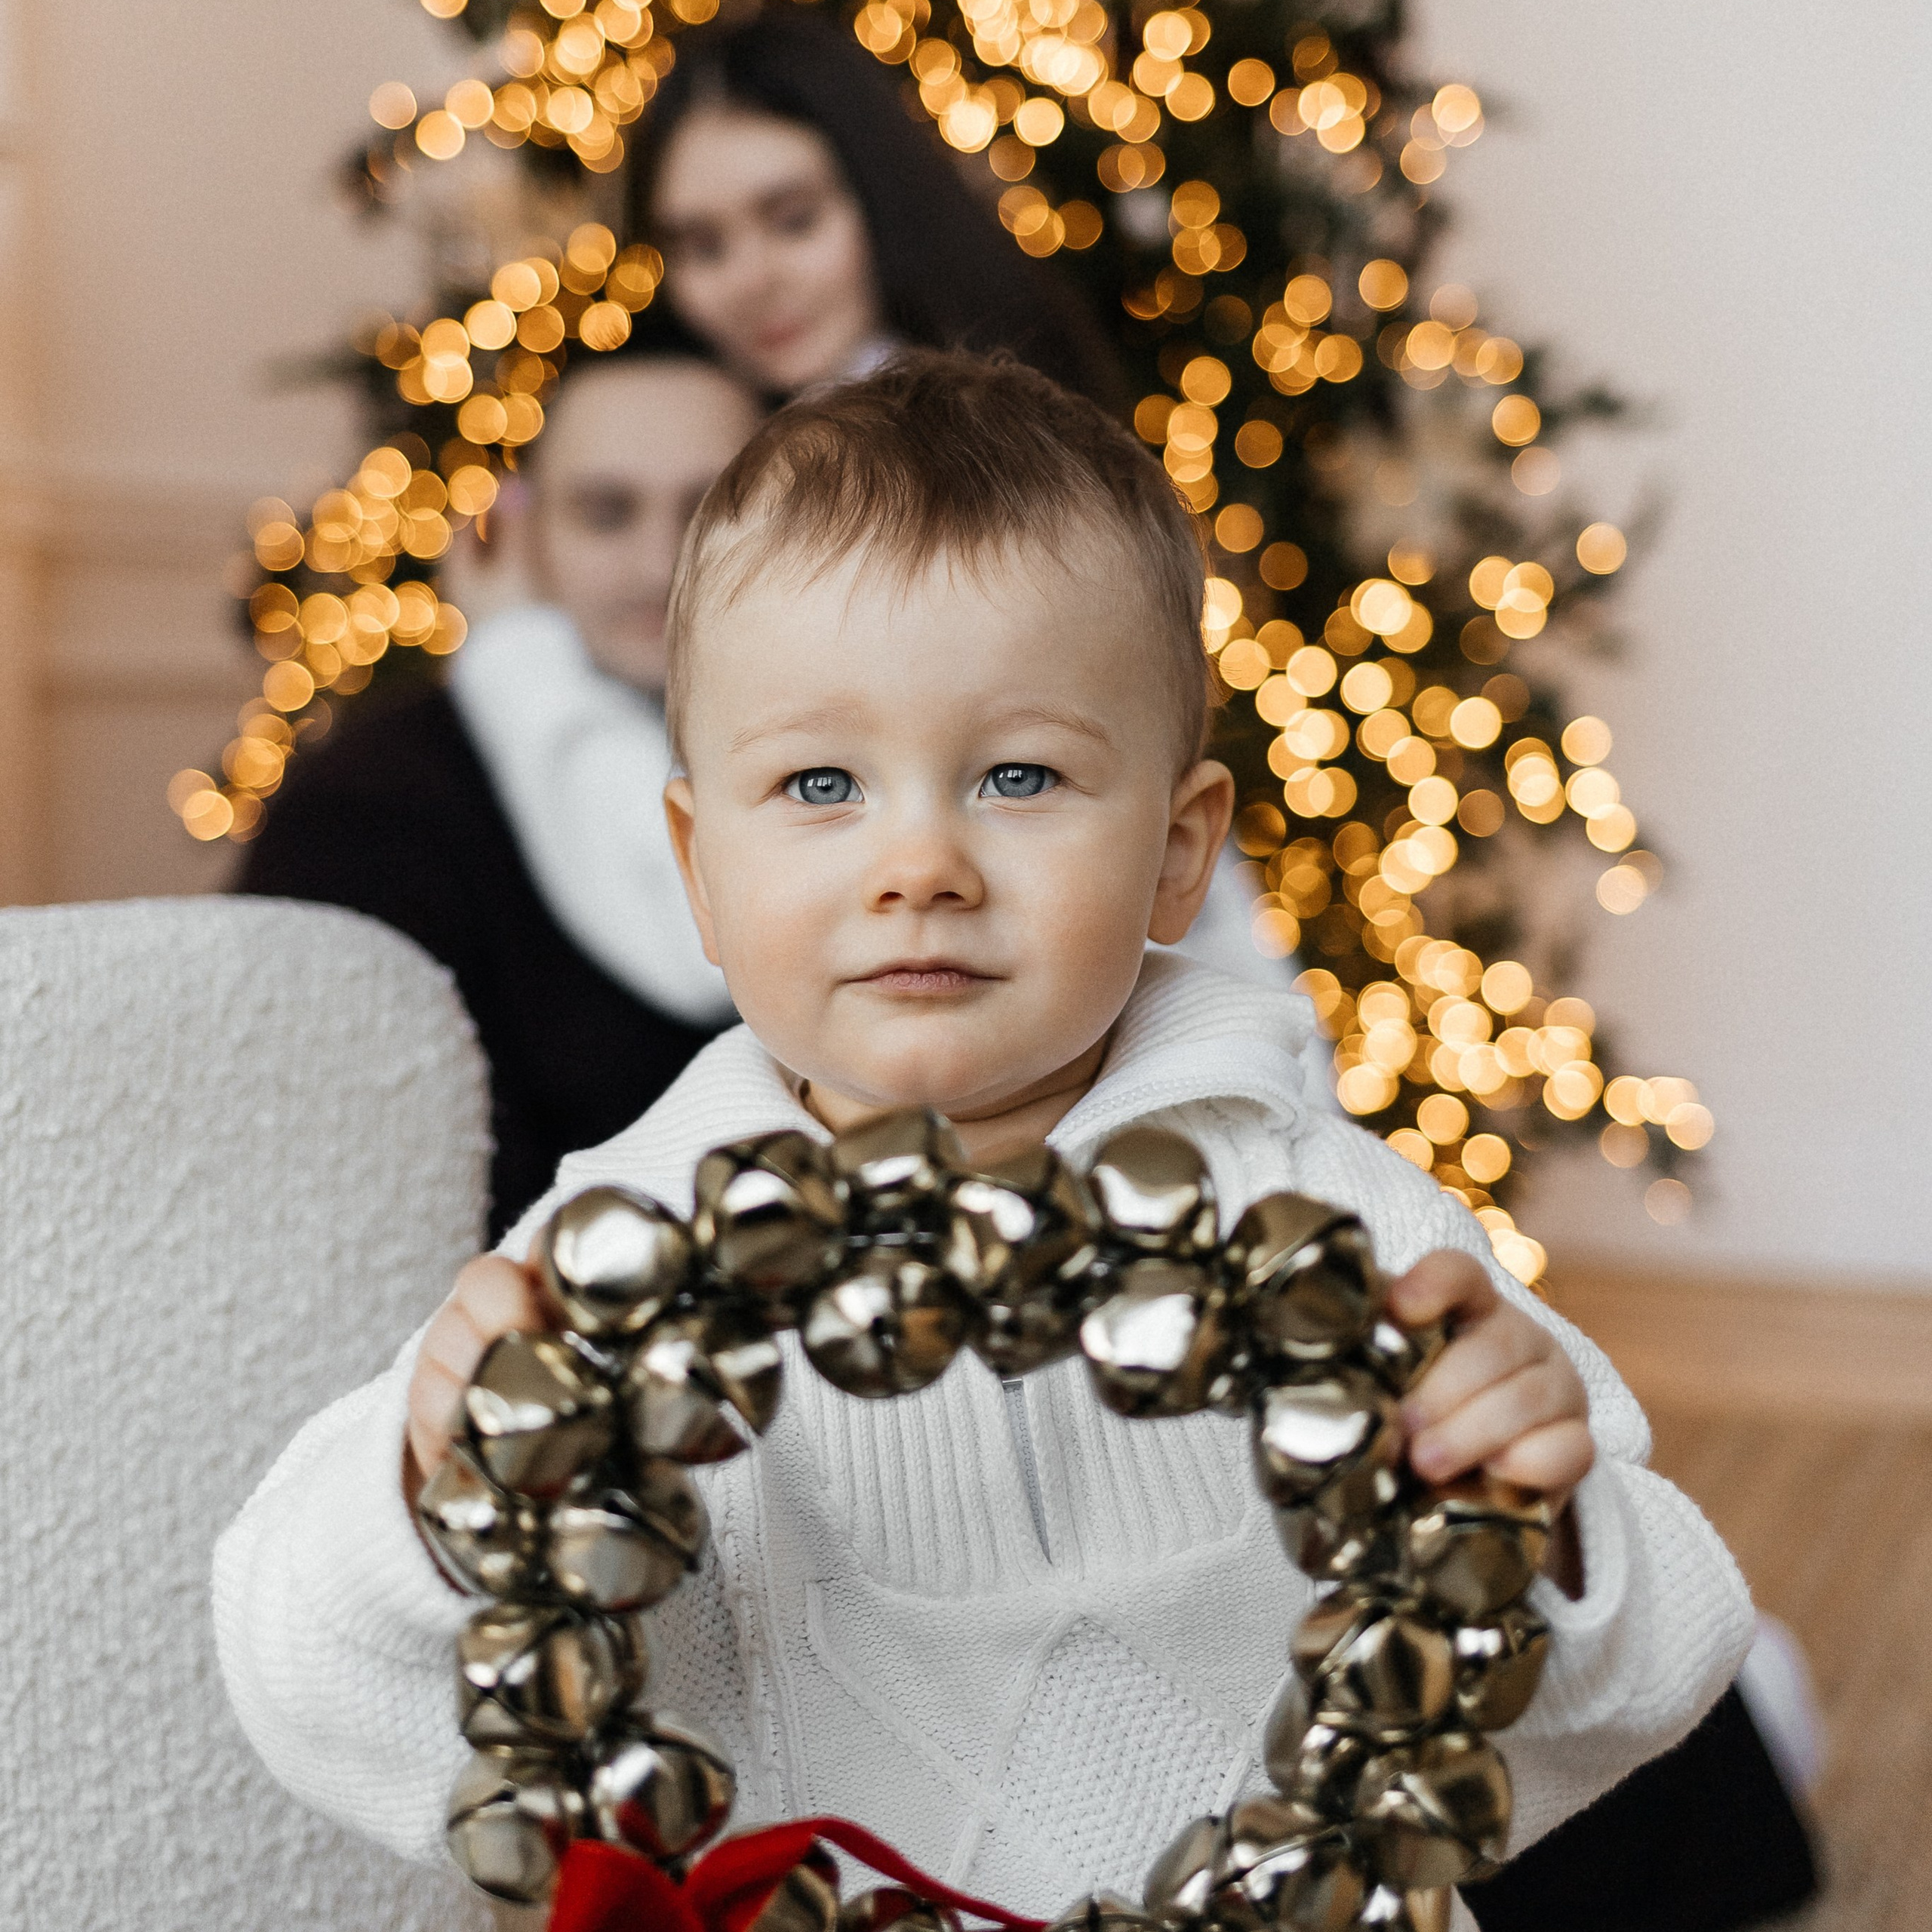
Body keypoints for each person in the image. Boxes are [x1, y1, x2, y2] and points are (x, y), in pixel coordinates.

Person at [214, 353, 1752, 1931]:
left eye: (1017, 775)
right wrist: (427, 1483)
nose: (920, 862)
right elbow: (304, 1669)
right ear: (697, 859)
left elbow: (1648, 1667)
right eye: (820, 782)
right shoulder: (614, 1257)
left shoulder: (1329, 1224)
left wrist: (1535, 1507)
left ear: (1174, 850)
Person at [238, 331, 762, 1238]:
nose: (659, 565)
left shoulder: (841, 764)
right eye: (605, 512)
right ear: (521, 535)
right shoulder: (374, 804)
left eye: (709, 509)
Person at [633, 8, 1120, 405]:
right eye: (705, 248)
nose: (753, 279)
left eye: (796, 223)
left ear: (883, 195)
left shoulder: (1011, 428)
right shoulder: (679, 437)